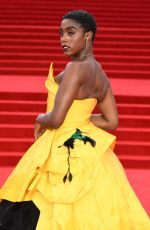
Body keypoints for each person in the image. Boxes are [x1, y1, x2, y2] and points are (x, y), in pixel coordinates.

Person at [0, 10, 149, 230]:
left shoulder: (75, 69)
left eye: (71, 33)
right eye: (61, 34)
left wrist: (40, 118)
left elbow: (57, 118)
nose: (63, 39)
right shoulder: (100, 73)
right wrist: (80, 120)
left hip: (60, 148)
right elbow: (111, 121)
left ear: (88, 36)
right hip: (87, 148)